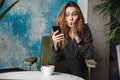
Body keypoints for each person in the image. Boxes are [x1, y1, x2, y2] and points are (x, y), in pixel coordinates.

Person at [49, 1, 93, 79]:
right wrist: (55, 45)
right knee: (73, 62)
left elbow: (89, 55)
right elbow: (55, 60)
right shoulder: (58, 30)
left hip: (78, 68)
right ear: (63, 16)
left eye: (74, 14)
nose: (71, 18)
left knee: (75, 62)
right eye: (67, 15)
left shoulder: (85, 30)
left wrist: (77, 38)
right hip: (60, 67)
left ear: (79, 16)